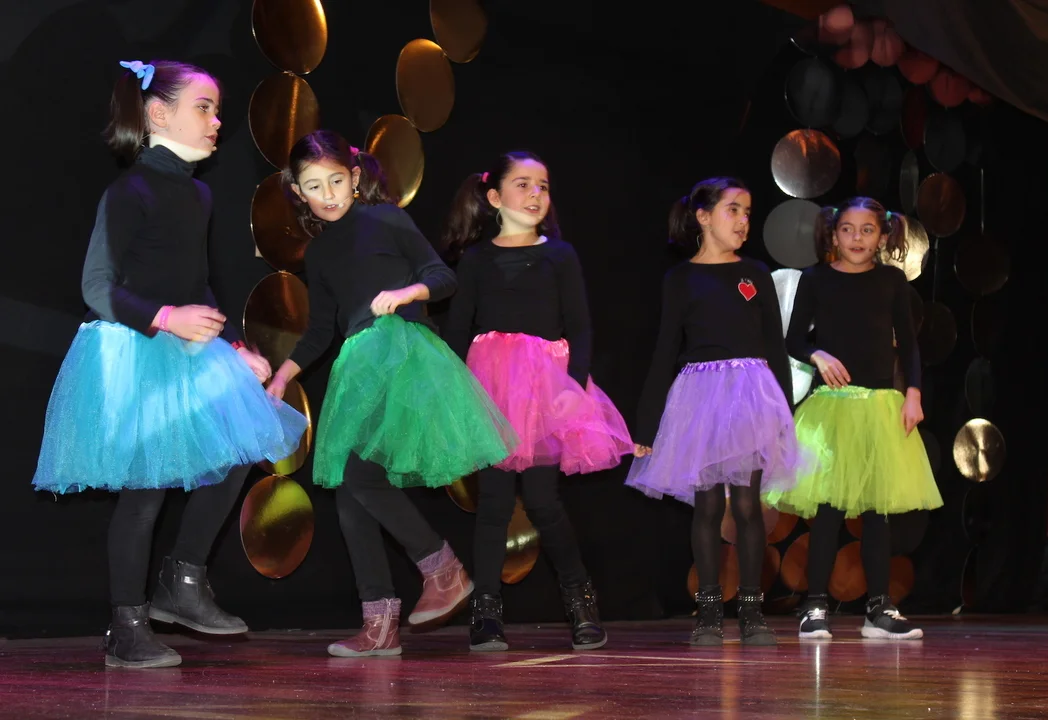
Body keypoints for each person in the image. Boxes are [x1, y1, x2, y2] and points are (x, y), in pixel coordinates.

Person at [32, 59, 308, 668]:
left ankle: (182, 580)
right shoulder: (129, 191)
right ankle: (126, 625)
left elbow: (196, 281)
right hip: (136, 349)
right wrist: (165, 317)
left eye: (217, 110)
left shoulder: (199, 193)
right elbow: (97, 285)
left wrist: (230, 342)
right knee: (146, 491)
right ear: (158, 114)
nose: (216, 121)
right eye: (203, 108)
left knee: (235, 453)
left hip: (185, 347)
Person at [266, 130, 518, 657]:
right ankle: (379, 622)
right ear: (298, 192)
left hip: (401, 355)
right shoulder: (320, 251)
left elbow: (441, 277)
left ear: (355, 177)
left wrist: (406, 293)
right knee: (351, 488)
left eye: (337, 180)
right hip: (359, 361)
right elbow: (320, 328)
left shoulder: (386, 219)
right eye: (314, 186)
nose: (328, 194)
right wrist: (284, 374)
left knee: (357, 476)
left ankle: (442, 568)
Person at [443, 151, 633, 651]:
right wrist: (455, 394)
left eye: (543, 186)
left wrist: (572, 389)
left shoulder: (560, 256)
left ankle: (581, 603)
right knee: (493, 504)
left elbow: (581, 327)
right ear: (494, 197)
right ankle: (486, 613)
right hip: (491, 390)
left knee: (544, 501)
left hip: (546, 389)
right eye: (523, 184)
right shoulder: (476, 259)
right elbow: (458, 330)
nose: (535, 194)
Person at [627, 177, 804, 646]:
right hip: (700, 397)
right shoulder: (681, 279)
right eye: (733, 210)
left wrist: (785, 415)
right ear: (703, 217)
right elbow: (665, 350)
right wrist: (646, 424)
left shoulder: (755, 273)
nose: (743, 221)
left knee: (747, 504)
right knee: (706, 505)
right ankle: (707, 611)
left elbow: (775, 346)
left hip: (751, 396)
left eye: (747, 212)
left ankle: (751, 610)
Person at [764, 196, 943, 640]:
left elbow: (909, 343)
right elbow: (793, 339)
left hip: (880, 406)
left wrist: (913, 393)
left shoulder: (892, 281)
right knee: (827, 510)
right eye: (848, 229)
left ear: (882, 237)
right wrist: (817, 354)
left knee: (878, 512)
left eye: (867, 230)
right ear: (833, 234)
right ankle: (815, 605)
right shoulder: (816, 279)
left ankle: (878, 608)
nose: (857, 238)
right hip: (833, 408)